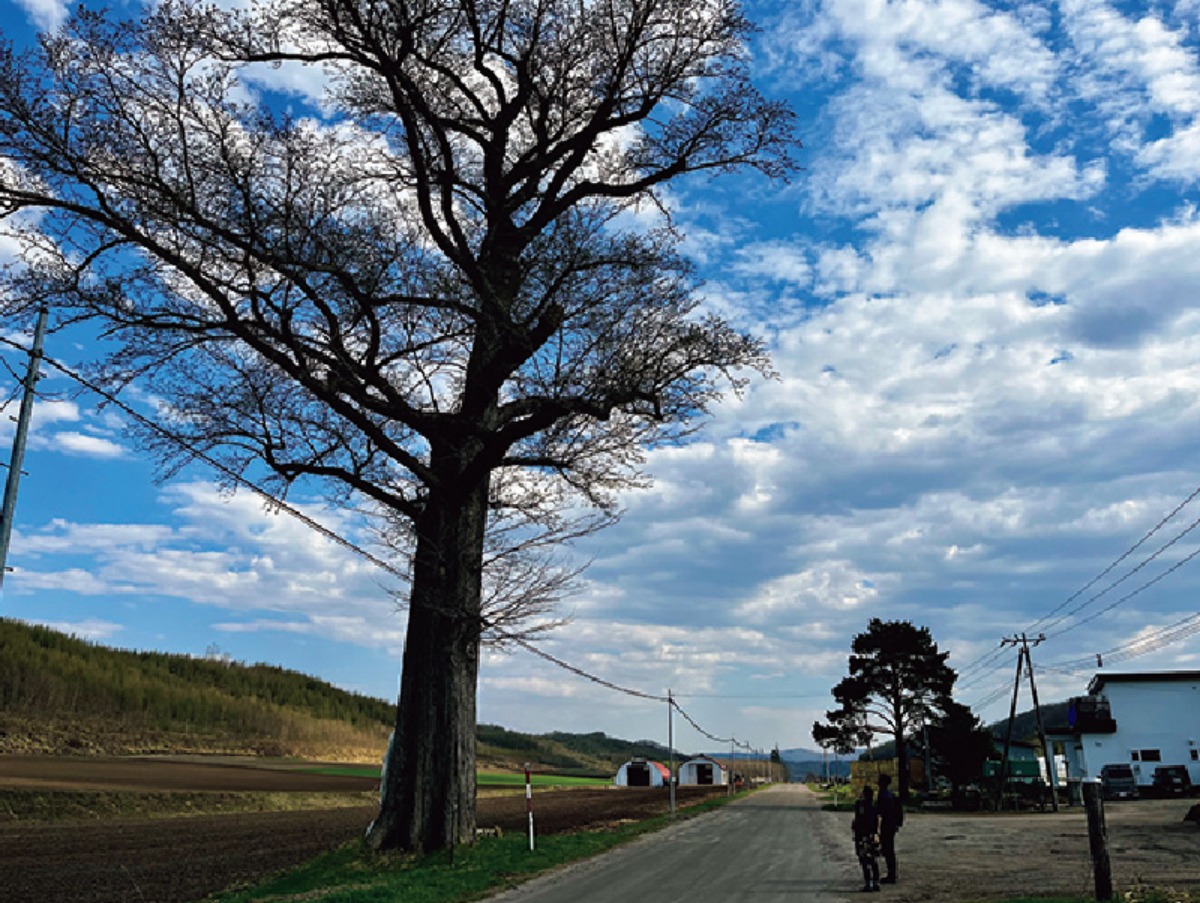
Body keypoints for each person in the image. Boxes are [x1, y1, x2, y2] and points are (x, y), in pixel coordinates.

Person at [852, 785, 881, 892]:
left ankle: (868, 883)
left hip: (862, 836)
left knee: (864, 860)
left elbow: (857, 820)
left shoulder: (860, 806)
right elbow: (877, 821)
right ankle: (876, 882)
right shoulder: (874, 807)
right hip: (872, 836)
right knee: (873, 860)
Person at [877, 773, 902, 884]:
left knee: (888, 850)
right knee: (889, 850)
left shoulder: (883, 795)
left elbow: (880, 812)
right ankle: (892, 873)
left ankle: (891, 875)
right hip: (891, 825)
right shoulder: (890, 795)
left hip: (886, 825)